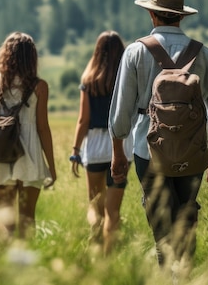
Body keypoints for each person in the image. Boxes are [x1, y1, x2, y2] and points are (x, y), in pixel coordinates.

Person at [109, 0, 208, 275]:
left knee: (161, 224)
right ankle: (185, 275)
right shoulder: (206, 55)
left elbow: (121, 110)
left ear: (153, 15)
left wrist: (117, 154)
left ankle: (168, 277)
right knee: (185, 214)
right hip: (193, 150)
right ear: (181, 17)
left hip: (146, 151)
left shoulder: (135, 52)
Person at [0, 32, 56, 239]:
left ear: (5, 56)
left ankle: (7, 265)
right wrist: (51, 167)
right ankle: (25, 265)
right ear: (31, 58)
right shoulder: (39, 86)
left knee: (6, 219)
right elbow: (43, 128)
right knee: (28, 218)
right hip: (30, 154)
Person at [70, 31, 131, 254]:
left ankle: (95, 248)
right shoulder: (126, 79)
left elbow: (83, 120)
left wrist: (76, 151)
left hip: (94, 147)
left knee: (95, 206)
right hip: (122, 146)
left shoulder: (88, 81)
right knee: (113, 210)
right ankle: (109, 256)